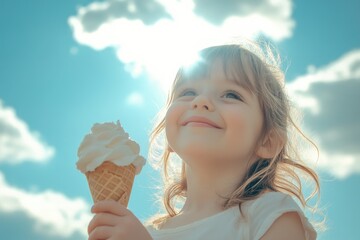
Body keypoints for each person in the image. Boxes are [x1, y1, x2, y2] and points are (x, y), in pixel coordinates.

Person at [87, 42, 321, 240]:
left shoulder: (271, 214)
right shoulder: (147, 232)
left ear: (267, 141)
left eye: (231, 94)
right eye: (187, 92)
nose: (200, 101)